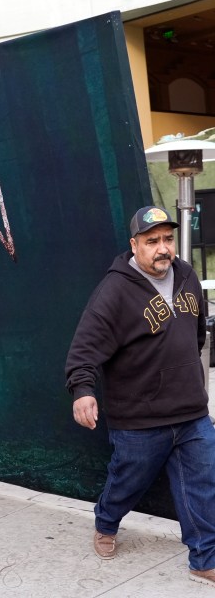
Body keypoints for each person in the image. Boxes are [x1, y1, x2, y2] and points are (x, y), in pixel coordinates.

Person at [65, 206, 215, 588]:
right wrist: (82, 391)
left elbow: (195, 335)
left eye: (167, 239)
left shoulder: (187, 275)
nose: (163, 248)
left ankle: (204, 557)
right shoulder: (113, 292)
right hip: (140, 419)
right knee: (127, 481)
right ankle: (106, 522)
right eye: (152, 241)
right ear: (134, 245)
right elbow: (84, 350)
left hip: (192, 412)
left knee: (202, 484)